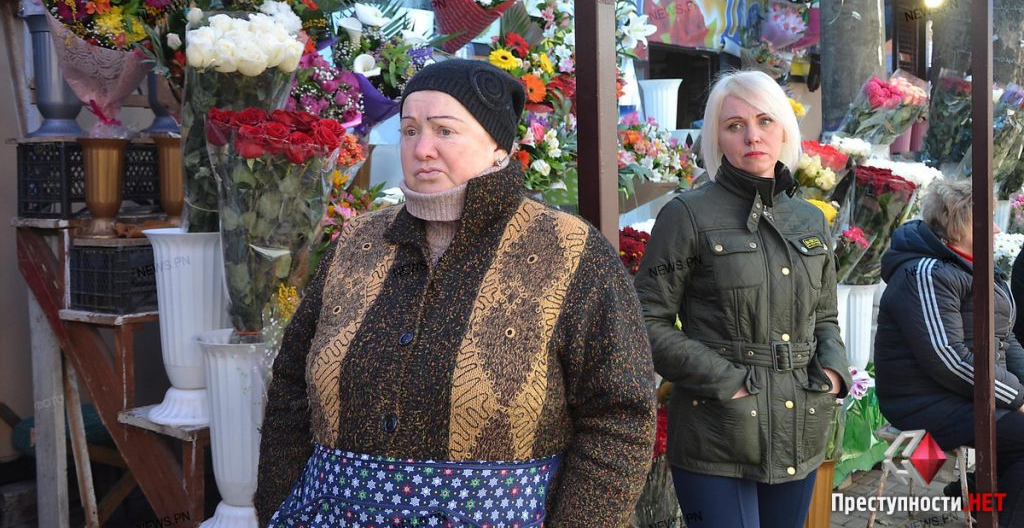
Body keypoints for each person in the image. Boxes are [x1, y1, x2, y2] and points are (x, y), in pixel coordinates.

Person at [254, 58, 656, 527]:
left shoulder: (569, 252)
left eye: (444, 131)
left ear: (497, 148)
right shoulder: (359, 243)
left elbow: (619, 416)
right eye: (409, 131)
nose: (422, 149)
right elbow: (290, 391)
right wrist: (277, 507)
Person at [636, 70, 851, 528]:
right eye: (735, 125)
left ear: (785, 129)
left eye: (765, 121)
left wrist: (831, 372)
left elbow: (825, 315)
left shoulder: (810, 220)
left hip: (799, 421)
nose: (752, 135)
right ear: (717, 136)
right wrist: (728, 381)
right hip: (717, 428)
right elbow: (646, 320)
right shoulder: (687, 215)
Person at [874, 179, 1024, 527]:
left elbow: (1008, 341)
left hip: (967, 394)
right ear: (957, 226)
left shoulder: (979, 267)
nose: (999, 228)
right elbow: (948, 358)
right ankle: (986, 500)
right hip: (922, 401)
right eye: (987, 220)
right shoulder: (925, 272)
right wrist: (1016, 398)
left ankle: (980, 494)